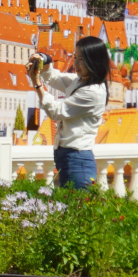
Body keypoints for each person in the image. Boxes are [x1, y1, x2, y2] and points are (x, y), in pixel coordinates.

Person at [26, 36, 111, 189]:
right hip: (69, 157)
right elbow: (55, 77)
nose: (76, 63)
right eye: (75, 57)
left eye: (81, 59)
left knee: (77, 210)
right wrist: (43, 58)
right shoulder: (81, 81)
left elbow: (56, 111)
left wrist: (37, 84)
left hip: (78, 160)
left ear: (94, 61)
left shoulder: (93, 92)